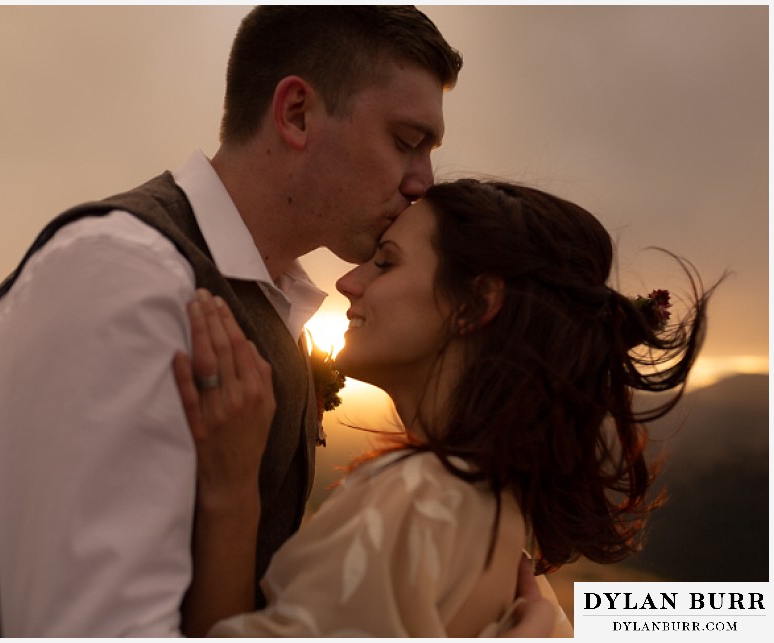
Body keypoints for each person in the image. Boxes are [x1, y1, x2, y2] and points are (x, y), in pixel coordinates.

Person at [0, 6, 475, 637]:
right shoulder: (122, 273)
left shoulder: (276, 307)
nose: (423, 180)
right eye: (407, 142)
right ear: (298, 113)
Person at [172, 178, 717, 636]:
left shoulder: (413, 501)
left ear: (476, 303)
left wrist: (231, 489)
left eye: (386, 263)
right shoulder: (495, 502)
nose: (347, 281)